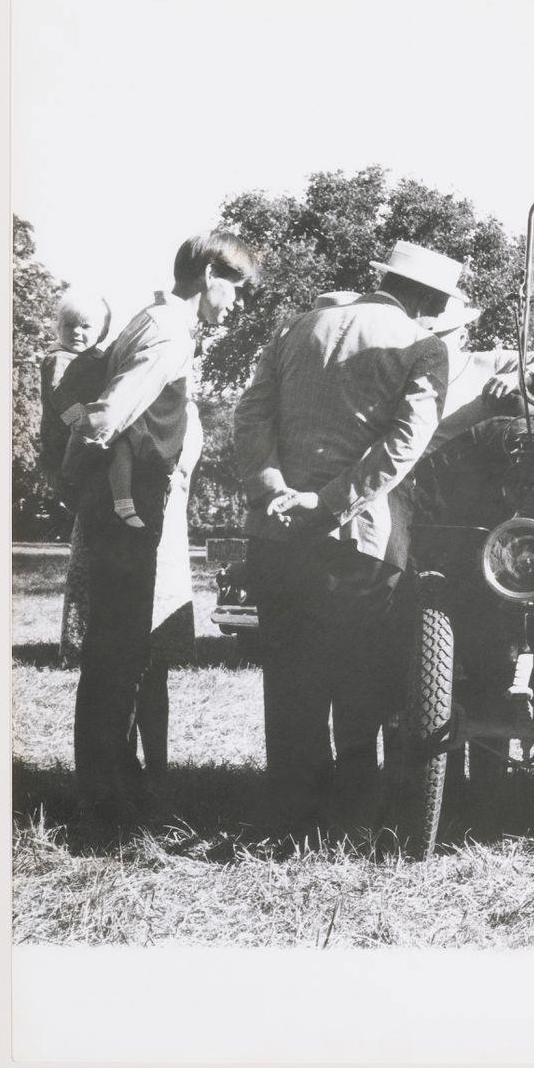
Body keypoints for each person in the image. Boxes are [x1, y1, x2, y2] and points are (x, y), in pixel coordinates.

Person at [234, 240, 454, 833]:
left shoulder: (296, 328)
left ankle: (290, 815)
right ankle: (351, 820)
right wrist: (327, 503)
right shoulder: (423, 346)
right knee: (359, 679)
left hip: (276, 532)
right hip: (357, 536)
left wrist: (272, 489)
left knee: (289, 678)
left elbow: (250, 415)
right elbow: (403, 445)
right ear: (429, 301)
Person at [66, 232, 259, 824]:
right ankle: (104, 809)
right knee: (117, 657)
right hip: (130, 512)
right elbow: (109, 414)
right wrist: (87, 477)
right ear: (209, 275)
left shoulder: (154, 319)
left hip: (126, 509)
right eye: (239, 289)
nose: (240, 305)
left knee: (118, 655)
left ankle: (112, 789)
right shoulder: (171, 330)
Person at [38, 288, 112, 666]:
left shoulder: (92, 359)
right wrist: (84, 427)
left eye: (86, 326)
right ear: (58, 328)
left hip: (78, 446)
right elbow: (60, 401)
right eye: (69, 325)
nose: (77, 333)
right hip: (65, 446)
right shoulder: (59, 359)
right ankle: (79, 642)